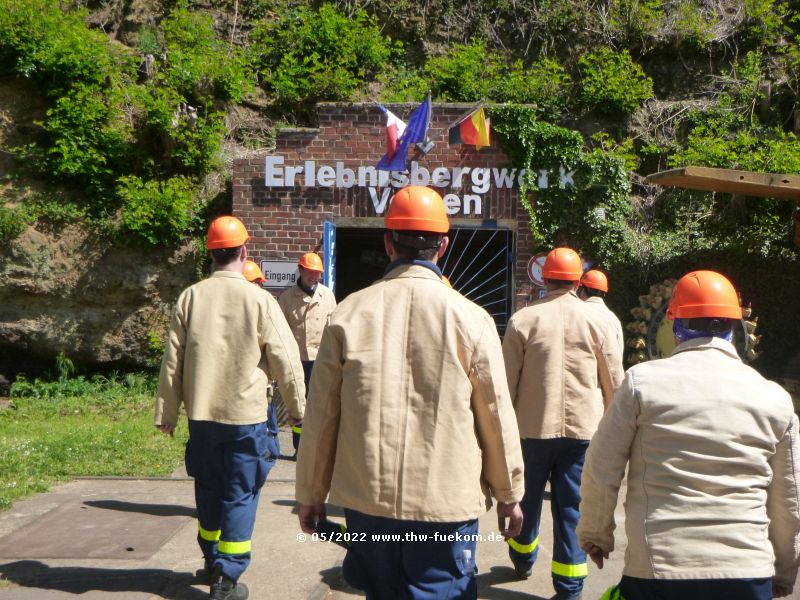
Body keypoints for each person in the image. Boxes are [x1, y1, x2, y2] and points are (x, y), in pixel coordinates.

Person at [295, 185, 525, 599]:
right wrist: (509, 494)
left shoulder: (346, 314)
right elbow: (495, 415)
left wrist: (311, 493)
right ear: (444, 246)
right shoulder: (472, 319)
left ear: (387, 242)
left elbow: (321, 415)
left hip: (369, 500)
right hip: (446, 503)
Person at [577, 270, 800, 600]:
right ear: (734, 326)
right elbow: (789, 499)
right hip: (748, 573)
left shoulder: (642, 384)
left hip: (659, 569)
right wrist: (784, 571)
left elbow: (601, 466)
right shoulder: (774, 398)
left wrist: (596, 533)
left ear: (674, 323)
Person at [155, 216, 306, 600]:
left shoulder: (190, 297)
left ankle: (210, 559)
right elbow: (287, 360)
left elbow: (173, 360)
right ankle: (227, 578)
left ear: (210, 253)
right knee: (240, 493)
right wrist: (299, 409)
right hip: (246, 418)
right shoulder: (259, 300)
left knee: (207, 488)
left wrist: (167, 413)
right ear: (244, 251)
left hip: (202, 417)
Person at [502, 247, 622, 600]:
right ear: (577, 282)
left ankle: (522, 560)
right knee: (572, 509)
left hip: (531, 432)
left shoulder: (523, 320)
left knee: (528, 500)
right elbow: (613, 382)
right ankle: (570, 588)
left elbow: (506, 385)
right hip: (584, 434)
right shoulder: (599, 321)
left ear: (545, 277)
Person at [278, 251, 337, 455]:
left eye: (317, 273)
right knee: (298, 406)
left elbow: (334, 329)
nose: (314, 277)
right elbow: (280, 332)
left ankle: (318, 448)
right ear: (300, 270)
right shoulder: (286, 299)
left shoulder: (327, 296)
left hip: (321, 361)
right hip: (297, 361)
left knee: (320, 406)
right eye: (310, 272)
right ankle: (299, 448)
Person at [241, 259, 282, 474]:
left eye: (259, 283)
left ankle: (266, 459)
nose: (258, 287)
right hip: (252, 388)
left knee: (270, 427)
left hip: (265, 385)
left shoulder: (266, 305)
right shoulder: (264, 306)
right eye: (254, 282)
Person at [578, 269, 625, 390]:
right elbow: (615, 363)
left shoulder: (577, 314)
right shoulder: (613, 319)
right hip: (601, 392)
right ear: (604, 293)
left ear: (582, 289)